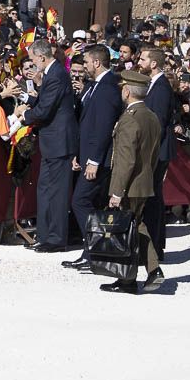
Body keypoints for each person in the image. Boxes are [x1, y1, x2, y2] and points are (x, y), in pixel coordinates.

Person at [100, 71, 165, 294]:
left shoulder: (130, 118)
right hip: (144, 181)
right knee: (136, 226)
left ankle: (131, 278)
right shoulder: (151, 116)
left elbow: (125, 160)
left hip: (128, 185)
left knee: (127, 230)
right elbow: (154, 154)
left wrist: (117, 191)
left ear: (126, 91)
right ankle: (146, 272)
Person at [14, 40, 78, 252]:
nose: (32, 64)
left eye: (32, 59)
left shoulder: (56, 75)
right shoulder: (53, 74)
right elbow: (43, 102)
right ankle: (44, 234)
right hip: (52, 141)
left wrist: (22, 118)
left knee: (57, 192)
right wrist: (26, 101)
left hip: (59, 142)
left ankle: (56, 238)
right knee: (45, 189)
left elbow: (45, 110)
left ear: (42, 57)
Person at [65, 44, 122, 270]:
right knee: (88, 203)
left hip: (98, 160)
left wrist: (94, 160)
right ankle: (92, 251)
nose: (84, 66)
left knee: (80, 202)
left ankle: (96, 249)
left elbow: (103, 127)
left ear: (97, 62)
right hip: (87, 155)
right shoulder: (93, 86)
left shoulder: (108, 88)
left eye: (87, 62)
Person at [138, 47, 177, 259]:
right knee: (153, 196)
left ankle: (154, 246)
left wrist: (147, 149)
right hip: (156, 148)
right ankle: (154, 244)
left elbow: (158, 122)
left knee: (152, 197)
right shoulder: (153, 84)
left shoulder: (161, 87)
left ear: (154, 63)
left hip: (158, 149)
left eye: (143, 59)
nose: (139, 61)